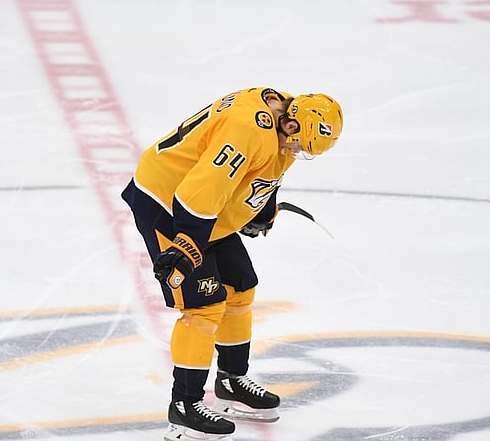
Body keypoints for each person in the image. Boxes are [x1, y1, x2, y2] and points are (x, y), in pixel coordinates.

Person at [121, 87, 343, 440]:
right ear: (288, 124)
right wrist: (187, 243)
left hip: (209, 211)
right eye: (298, 143)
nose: (297, 151)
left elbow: (259, 170)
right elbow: (203, 186)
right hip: (170, 206)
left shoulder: (284, 112)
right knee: (204, 307)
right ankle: (184, 406)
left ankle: (230, 380)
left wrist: (262, 209)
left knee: (240, 287)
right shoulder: (249, 130)